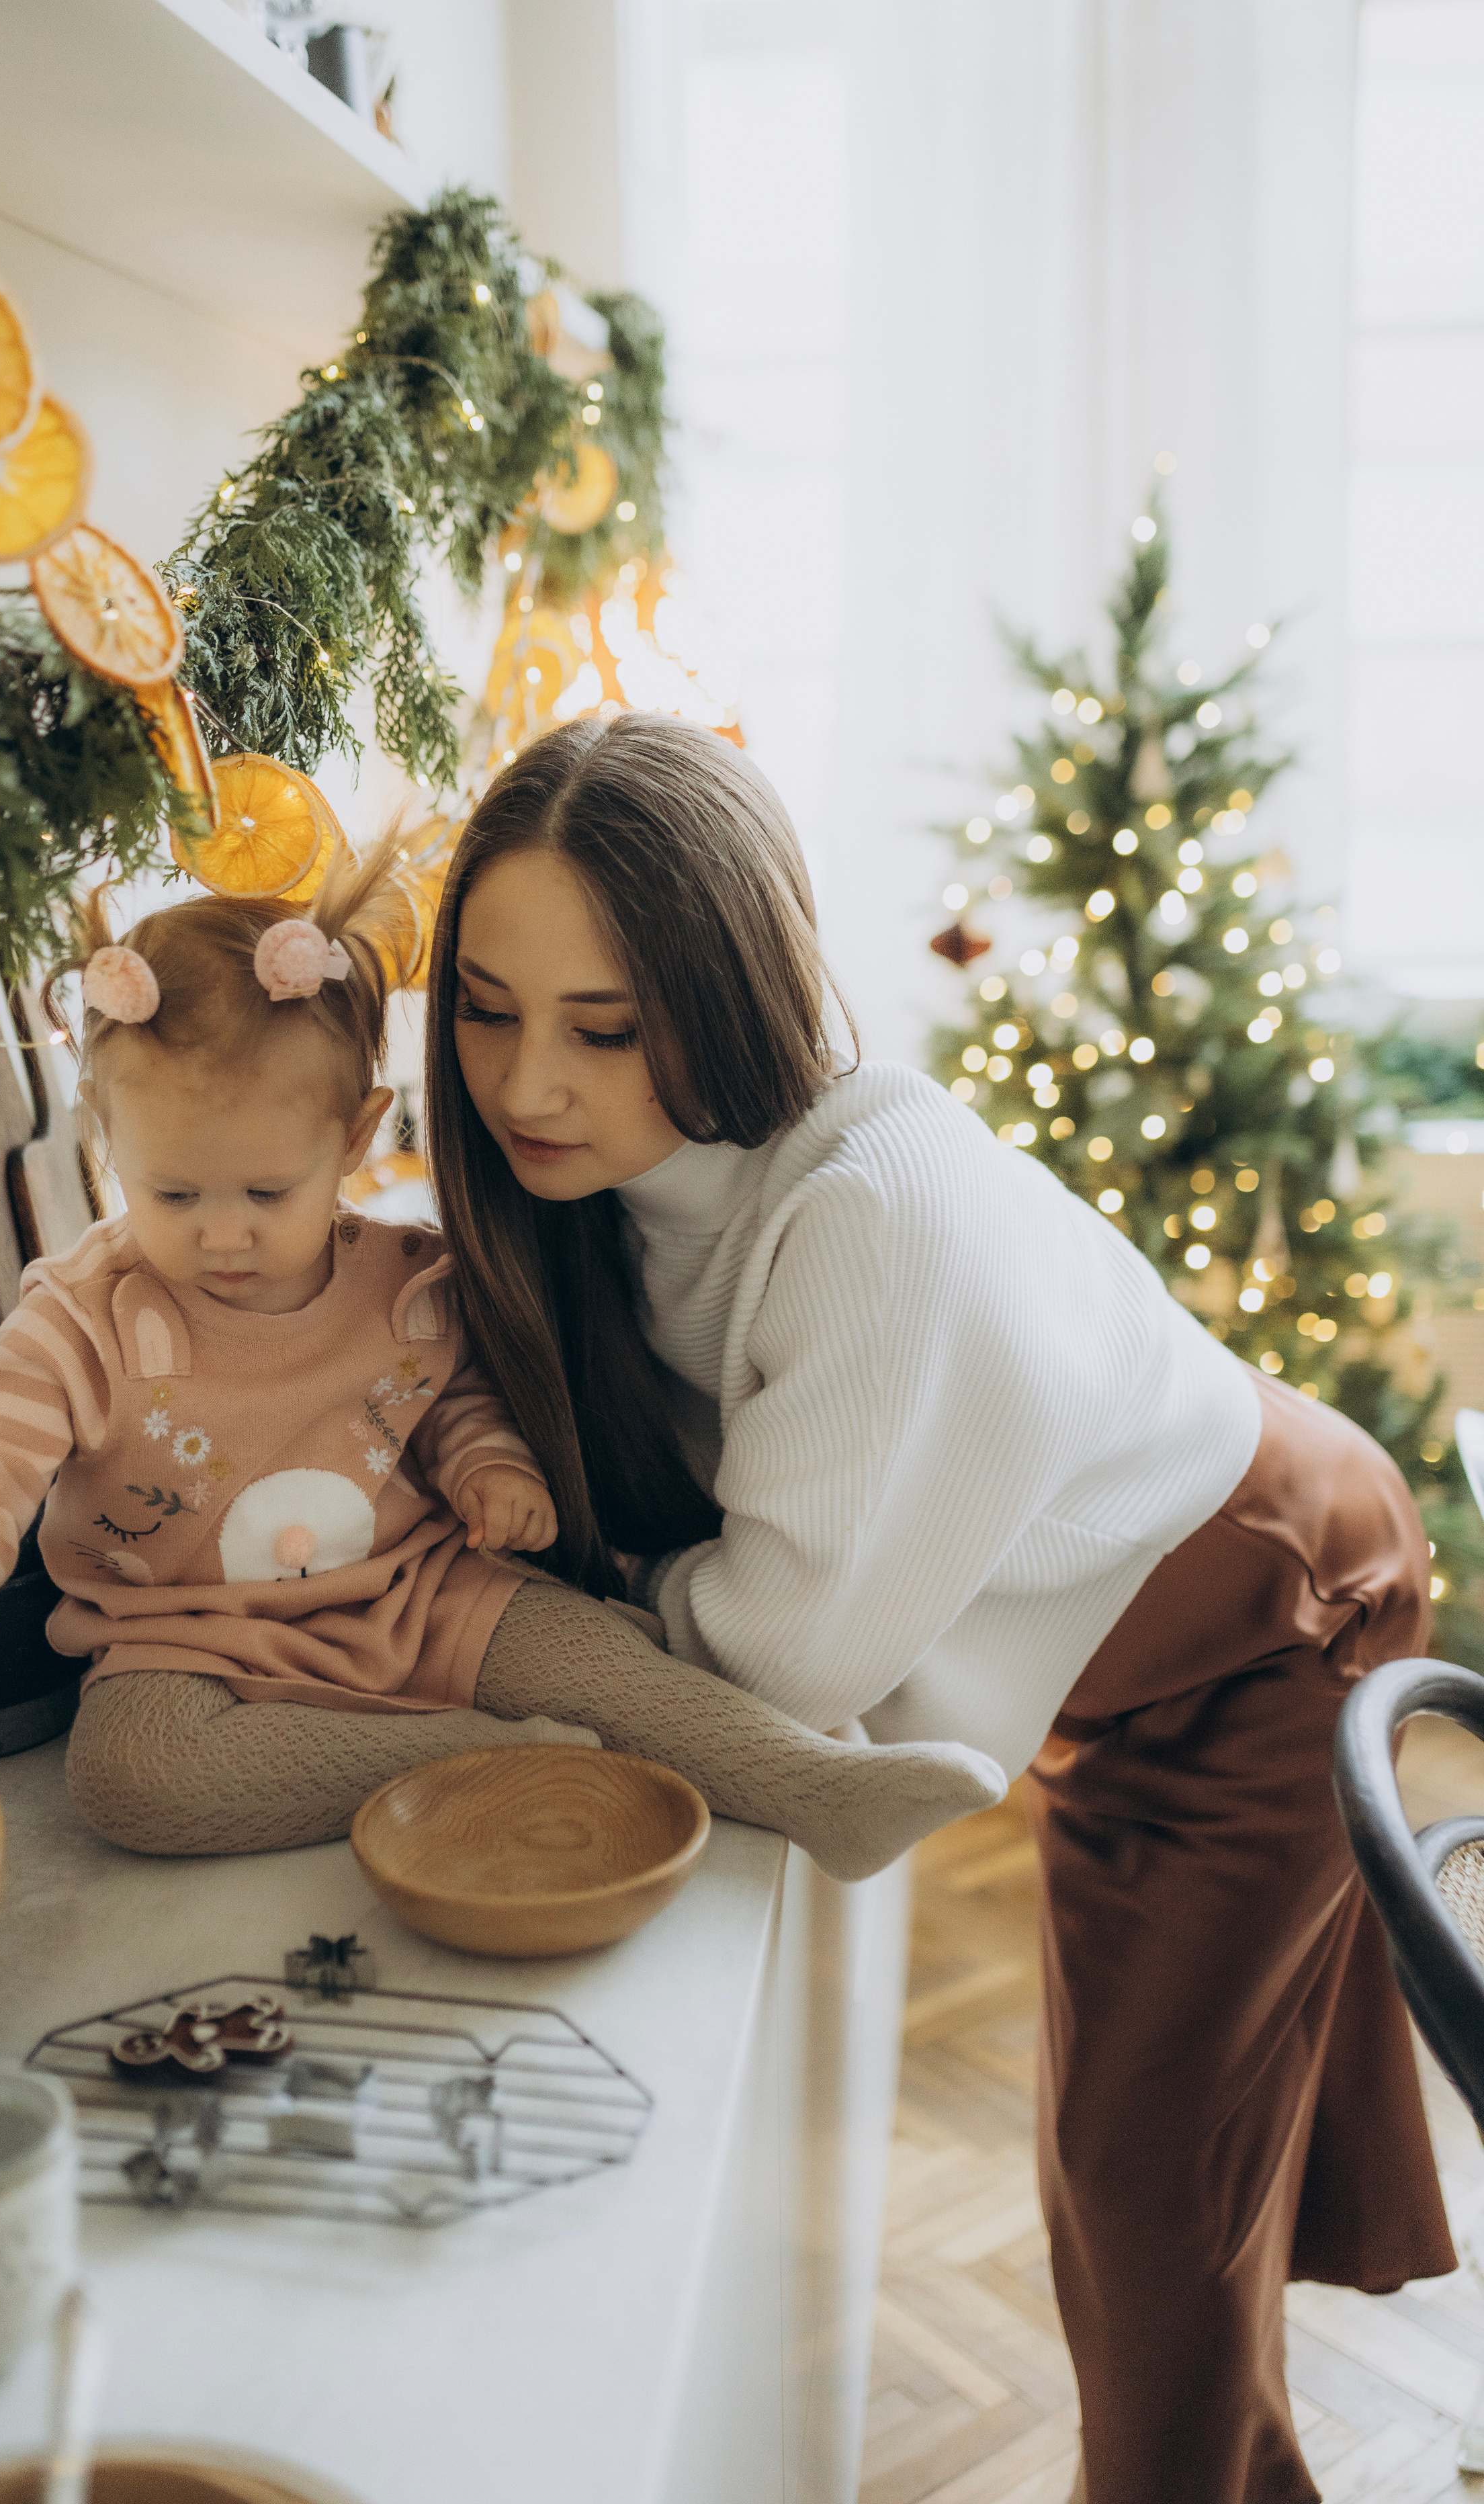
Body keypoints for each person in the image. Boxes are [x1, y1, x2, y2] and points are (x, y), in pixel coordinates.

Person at [420, 709, 1457, 2504]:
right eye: (487, 1009)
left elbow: (783, 1647)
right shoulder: (596, 1198)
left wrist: (598, 1589)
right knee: (1176, 2168)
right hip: (1135, 1633)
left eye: (604, 1027)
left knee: (1140, 2183)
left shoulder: (873, 1212)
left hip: (1270, 1611)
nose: (526, 1085)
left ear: (727, 989)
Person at [0, 831, 1000, 1885]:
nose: (222, 1231)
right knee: (128, 1782)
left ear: (352, 1134)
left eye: (265, 1192)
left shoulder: (409, 1278)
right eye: (173, 1192)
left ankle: (820, 1789)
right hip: (186, 1639)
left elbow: (450, 1405)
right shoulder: (82, 1318)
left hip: (425, 1593)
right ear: (106, 1140)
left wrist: (491, 1467)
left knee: (602, 1649)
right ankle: (503, 1753)